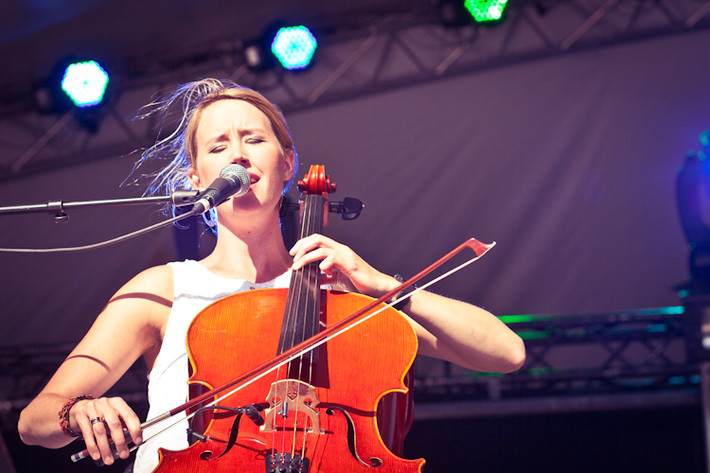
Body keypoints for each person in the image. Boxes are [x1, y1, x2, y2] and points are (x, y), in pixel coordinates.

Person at [17, 78, 525, 472]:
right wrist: (76, 414)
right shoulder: (163, 290)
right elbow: (34, 422)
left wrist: (379, 285)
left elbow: (505, 353)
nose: (237, 153)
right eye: (218, 147)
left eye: (253, 139)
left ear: (286, 166)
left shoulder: (343, 296)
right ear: (197, 181)